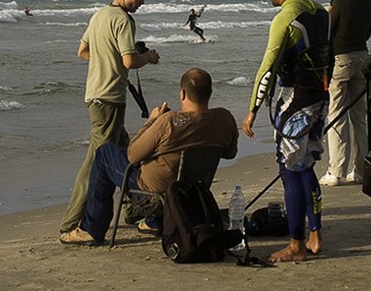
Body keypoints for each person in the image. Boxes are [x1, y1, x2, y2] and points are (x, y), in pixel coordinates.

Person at [60, 68, 238, 245]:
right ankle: (155, 222)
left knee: (105, 154)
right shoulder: (224, 118)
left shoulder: (168, 122)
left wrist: (152, 120)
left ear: (182, 93)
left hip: (154, 198)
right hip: (191, 195)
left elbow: (132, 154)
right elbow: (230, 153)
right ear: (210, 92)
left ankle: (91, 230)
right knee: (162, 165)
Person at [59, 0, 161, 238]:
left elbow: (82, 51)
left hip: (94, 95)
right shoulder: (123, 20)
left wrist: (105, 60)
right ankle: (72, 223)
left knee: (128, 152)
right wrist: (148, 57)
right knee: (96, 160)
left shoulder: (99, 16)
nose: (141, 3)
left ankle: (141, 209)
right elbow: (129, 61)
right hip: (110, 98)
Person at [243, 0, 330, 263]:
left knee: (290, 171)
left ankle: (296, 245)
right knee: (306, 166)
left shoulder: (285, 18)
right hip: (320, 99)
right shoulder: (319, 10)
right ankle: (315, 234)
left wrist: (252, 109)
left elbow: (266, 69)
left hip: (296, 103)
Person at [320, 0, 371, 188]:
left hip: (341, 60)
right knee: (359, 117)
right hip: (362, 57)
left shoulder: (339, 4)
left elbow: (328, 36)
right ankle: (360, 170)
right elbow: (368, 32)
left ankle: (336, 171)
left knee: (336, 116)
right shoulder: (369, 3)